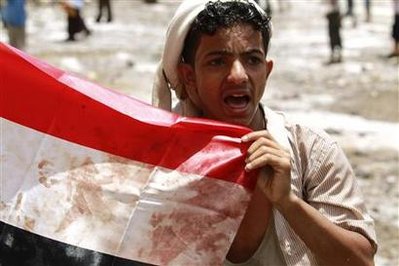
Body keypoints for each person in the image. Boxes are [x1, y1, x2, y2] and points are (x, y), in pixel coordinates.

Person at [152, 0, 377, 265]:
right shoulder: (157, 158)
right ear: (189, 76)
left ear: (267, 71)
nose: (239, 75)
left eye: (252, 60)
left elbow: (361, 261)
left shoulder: (311, 151)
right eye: (217, 62)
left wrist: (289, 203)